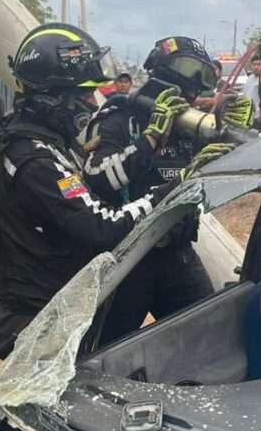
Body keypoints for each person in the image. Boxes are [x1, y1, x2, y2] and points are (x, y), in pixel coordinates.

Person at [0, 23, 211, 358]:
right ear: (53, 96)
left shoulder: (42, 145)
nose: (92, 103)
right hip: (42, 315)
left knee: (207, 339)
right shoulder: (34, 159)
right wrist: (172, 186)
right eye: (84, 94)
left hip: (57, 301)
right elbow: (102, 225)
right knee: (102, 362)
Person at [80, 35, 251, 343]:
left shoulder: (193, 124)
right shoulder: (117, 117)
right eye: (191, 70)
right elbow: (96, 176)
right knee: (101, 354)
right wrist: (150, 139)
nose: (196, 85)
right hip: (127, 258)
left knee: (212, 340)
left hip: (177, 252)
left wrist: (233, 133)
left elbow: (226, 172)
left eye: (206, 75)